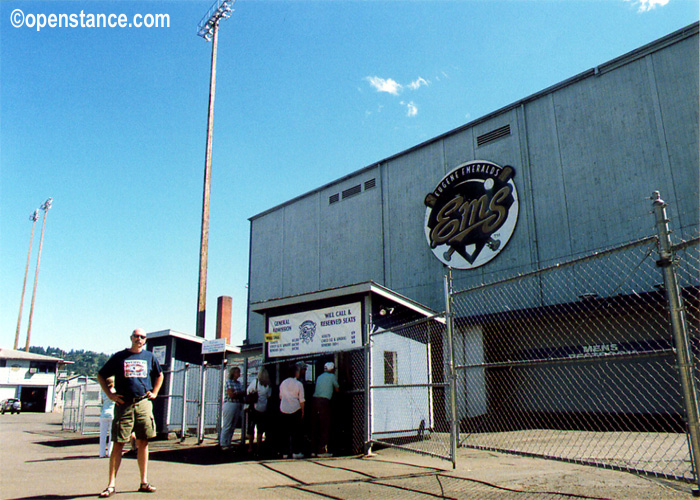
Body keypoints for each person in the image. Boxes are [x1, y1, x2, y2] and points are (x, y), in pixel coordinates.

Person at [96, 329, 163, 498]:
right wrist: (110, 395)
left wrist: (154, 392)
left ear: (145, 340)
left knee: (143, 441)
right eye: (136, 336)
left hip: (143, 403)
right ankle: (111, 484)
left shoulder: (150, 357)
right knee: (118, 443)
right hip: (124, 404)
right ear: (131, 338)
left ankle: (144, 482)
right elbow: (101, 375)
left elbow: (159, 375)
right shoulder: (119, 357)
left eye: (142, 337)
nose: (138, 339)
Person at [311, 361, 340, 457]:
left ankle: (313, 450)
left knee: (316, 425)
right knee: (325, 425)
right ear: (332, 369)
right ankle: (322, 450)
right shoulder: (332, 377)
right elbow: (337, 389)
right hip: (325, 402)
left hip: (315, 401)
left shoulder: (319, 377)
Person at [279, 363, 305, 459]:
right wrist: (303, 411)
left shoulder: (283, 383)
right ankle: (295, 451)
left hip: (284, 408)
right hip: (295, 408)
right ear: (296, 373)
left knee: (285, 432)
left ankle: (285, 453)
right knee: (296, 432)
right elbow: (301, 399)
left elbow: (280, 396)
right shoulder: (299, 384)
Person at [245, 367, 272, 455]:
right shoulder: (268, 385)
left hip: (254, 407)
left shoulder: (255, 382)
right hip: (263, 408)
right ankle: (258, 446)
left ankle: (250, 447)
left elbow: (248, 391)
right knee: (260, 429)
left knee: (251, 427)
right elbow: (269, 395)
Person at [220, 366, 244, 450]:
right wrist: (238, 394)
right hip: (230, 404)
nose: (239, 374)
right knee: (227, 424)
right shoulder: (228, 382)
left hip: (237, 404)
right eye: (238, 372)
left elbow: (240, 394)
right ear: (233, 373)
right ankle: (223, 443)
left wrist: (237, 394)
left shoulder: (238, 383)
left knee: (233, 425)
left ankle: (228, 442)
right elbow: (231, 395)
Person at [98, 377, 115, 458]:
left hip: (104, 413)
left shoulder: (104, 391)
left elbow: (102, 401)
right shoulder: (114, 391)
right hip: (112, 413)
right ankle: (110, 452)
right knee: (112, 435)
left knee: (102, 435)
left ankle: (101, 453)